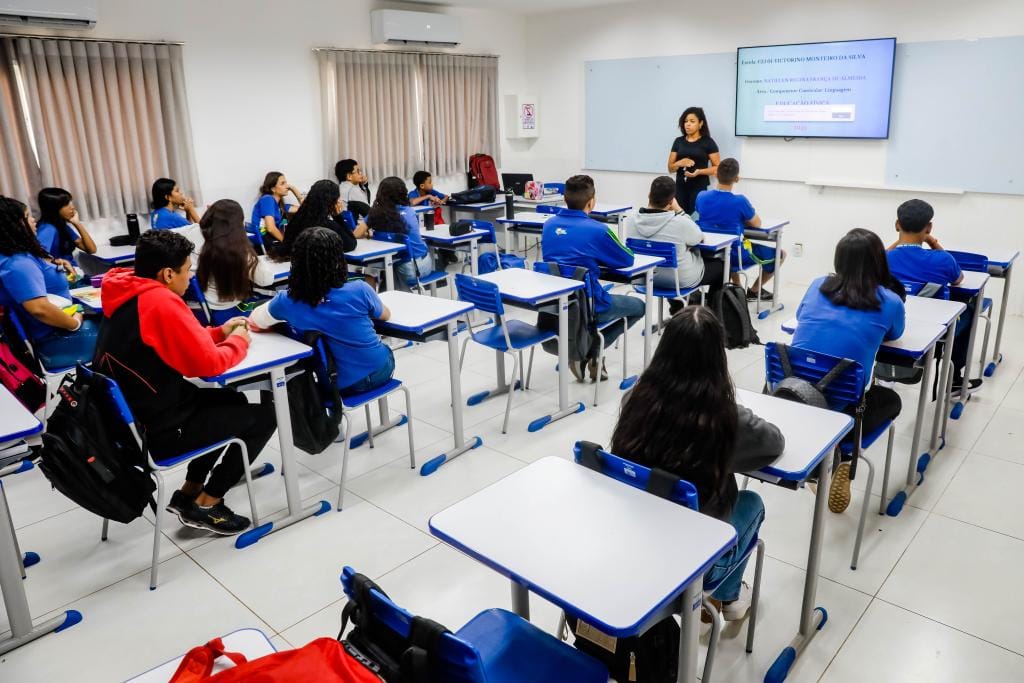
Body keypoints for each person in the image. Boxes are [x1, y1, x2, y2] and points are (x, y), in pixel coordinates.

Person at [93, 230, 276, 535]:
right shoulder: (160, 301)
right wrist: (240, 340)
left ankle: (189, 493)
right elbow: (209, 365)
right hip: (159, 429)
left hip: (140, 416)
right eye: (187, 269)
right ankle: (209, 504)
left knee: (234, 402)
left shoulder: (129, 289)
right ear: (167, 274)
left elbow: (171, 340)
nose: (191, 277)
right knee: (264, 415)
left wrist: (220, 333)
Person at [610, 306, 784, 619]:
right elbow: (774, 443)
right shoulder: (725, 420)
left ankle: (720, 600)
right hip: (692, 562)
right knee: (751, 502)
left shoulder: (634, 400)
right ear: (718, 358)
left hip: (632, 539)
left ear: (664, 350)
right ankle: (726, 598)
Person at [791, 228, 905, 514]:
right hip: (844, 401)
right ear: (880, 262)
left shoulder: (818, 284)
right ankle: (844, 455)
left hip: (794, 394)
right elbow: (896, 333)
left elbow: (799, 316)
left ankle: (824, 456)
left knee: (838, 384)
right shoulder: (890, 301)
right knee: (891, 401)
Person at [250, 227, 395, 396]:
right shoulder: (360, 289)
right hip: (380, 369)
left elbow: (255, 320)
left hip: (336, 383)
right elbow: (385, 315)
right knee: (382, 349)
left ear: (296, 261)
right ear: (338, 259)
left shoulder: (287, 301)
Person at [541, 174, 644, 381]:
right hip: (589, 305)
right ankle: (594, 351)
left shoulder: (548, 225)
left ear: (565, 199)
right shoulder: (598, 230)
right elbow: (627, 259)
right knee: (639, 307)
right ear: (592, 202)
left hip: (555, 304)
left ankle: (583, 351)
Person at [885, 198, 978, 394]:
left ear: (897, 224)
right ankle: (954, 379)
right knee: (969, 310)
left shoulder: (883, 260)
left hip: (892, 326)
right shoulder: (942, 260)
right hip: (933, 332)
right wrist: (932, 241)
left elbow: (880, 256)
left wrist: (901, 241)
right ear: (928, 228)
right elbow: (958, 279)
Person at [0, 196, 98, 369]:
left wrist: (54, 265)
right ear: (16, 225)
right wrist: (74, 323)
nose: (33, 220)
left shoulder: (17, 255)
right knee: (125, 334)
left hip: (55, 331)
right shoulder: (17, 264)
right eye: (28, 216)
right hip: (53, 341)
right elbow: (40, 309)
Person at [624, 175, 725, 312]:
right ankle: (709, 314)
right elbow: (700, 238)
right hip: (679, 280)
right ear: (672, 201)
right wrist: (680, 210)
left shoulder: (630, 220)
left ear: (649, 195)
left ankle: (678, 308)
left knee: (670, 264)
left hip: (644, 278)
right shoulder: (680, 223)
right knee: (722, 267)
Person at [695, 158, 784, 302]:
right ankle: (754, 291)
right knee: (781, 254)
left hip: (709, 252)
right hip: (736, 254)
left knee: (729, 249)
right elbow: (757, 223)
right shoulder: (740, 201)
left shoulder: (701, 196)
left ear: (716, 174)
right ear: (737, 179)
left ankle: (738, 288)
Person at [196, 199, 275, 321]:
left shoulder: (197, 239)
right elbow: (266, 280)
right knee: (274, 304)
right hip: (231, 313)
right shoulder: (240, 252)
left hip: (204, 311)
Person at [366, 176, 433, 289]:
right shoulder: (409, 211)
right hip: (419, 267)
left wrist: (368, 234)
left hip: (401, 268)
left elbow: (356, 233)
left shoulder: (377, 213)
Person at [275, 179, 367, 261]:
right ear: (331, 202)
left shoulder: (296, 220)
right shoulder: (328, 226)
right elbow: (351, 244)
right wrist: (338, 216)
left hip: (297, 270)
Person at [667, 106, 720, 214]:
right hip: (680, 187)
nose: (688, 124)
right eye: (685, 121)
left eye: (692, 121)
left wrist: (699, 172)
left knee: (696, 217)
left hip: (699, 187)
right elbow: (670, 168)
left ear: (700, 124)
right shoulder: (678, 141)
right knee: (680, 217)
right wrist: (679, 163)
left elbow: (717, 168)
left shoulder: (708, 142)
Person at [35, 187, 97, 264]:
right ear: (54, 208)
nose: (72, 207)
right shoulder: (48, 229)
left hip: (73, 273)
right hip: (63, 274)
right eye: (66, 204)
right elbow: (39, 260)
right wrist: (61, 264)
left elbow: (91, 250)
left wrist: (77, 223)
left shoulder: (60, 225)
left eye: (71, 203)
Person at [251, 171, 303, 249]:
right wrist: (285, 242)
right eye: (282, 184)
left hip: (270, 241)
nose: (287, 186)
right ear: (273, 189)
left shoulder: (279, 205)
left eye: (286, 183)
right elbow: (270, 228)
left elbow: (306, 208)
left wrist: (293, 189)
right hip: (265, 242)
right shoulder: (267, 199)